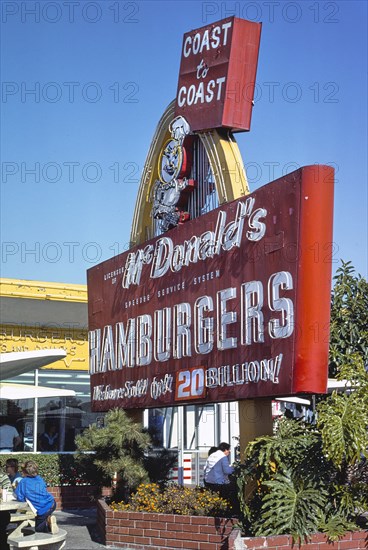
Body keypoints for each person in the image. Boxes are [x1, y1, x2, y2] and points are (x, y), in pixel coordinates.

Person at [15, 460, 58, 534]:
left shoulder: (23, 482)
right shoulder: (39, 478)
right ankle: (49, 520)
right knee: (43, 518)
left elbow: (20, 497)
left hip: (42, 509)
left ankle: (48, 525)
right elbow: (43, 488)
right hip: (52, 503)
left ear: (24, 472)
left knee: (39, 529)